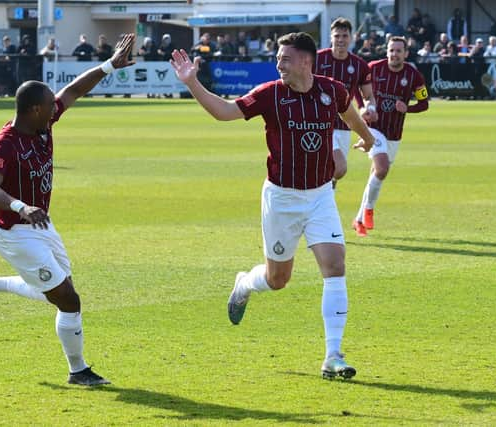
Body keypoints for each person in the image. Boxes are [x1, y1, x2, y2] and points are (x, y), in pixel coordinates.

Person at [170, 32, 375, 380]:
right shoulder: (271, 94)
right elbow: (224, 111)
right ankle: (245, 284)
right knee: (278, 279)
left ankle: (333, 356)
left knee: (335, 266)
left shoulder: (332, 91)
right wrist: (192, 82)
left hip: (321, 195)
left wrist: (367, 139)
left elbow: (350, 114)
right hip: (281, 199)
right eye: (278, 58)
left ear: (306, 62)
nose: (279, 63)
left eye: (286, 58)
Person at [0, 33, 136, 386]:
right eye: (49, 106)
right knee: (68, 299)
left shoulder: (42, 122)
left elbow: (72, 91)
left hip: (40, 225)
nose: (55, 109)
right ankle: (78, 371)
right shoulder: (6, 143)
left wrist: (109, 65)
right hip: (14, 233)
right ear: (33, 110)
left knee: (56, 290)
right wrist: (20, 206)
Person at [352, 36, 429, 237]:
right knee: (382, 168)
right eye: (391, 50)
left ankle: (359, 219)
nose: (394, 54)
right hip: (374, 128)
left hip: (394, 134)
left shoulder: (413, 75)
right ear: (386, 51)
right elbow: (356, 87)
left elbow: (424, 103)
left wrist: (408, 108)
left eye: (398, 51)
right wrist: (363, 107)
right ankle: (368, 211)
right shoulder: (373, 68)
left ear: (406, 54)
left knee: (376, 175)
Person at [314, 18, 378, 187]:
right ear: (331, 37)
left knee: (334, 175)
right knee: (339, 168)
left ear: (351, 38)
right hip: (318, 123)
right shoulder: (316, 59)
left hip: (344, 125)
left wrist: (369, 108)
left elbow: (368, 95)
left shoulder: (359, 65)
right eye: (337, 36)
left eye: (344, 35)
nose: (341, 40)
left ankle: (322, 204)